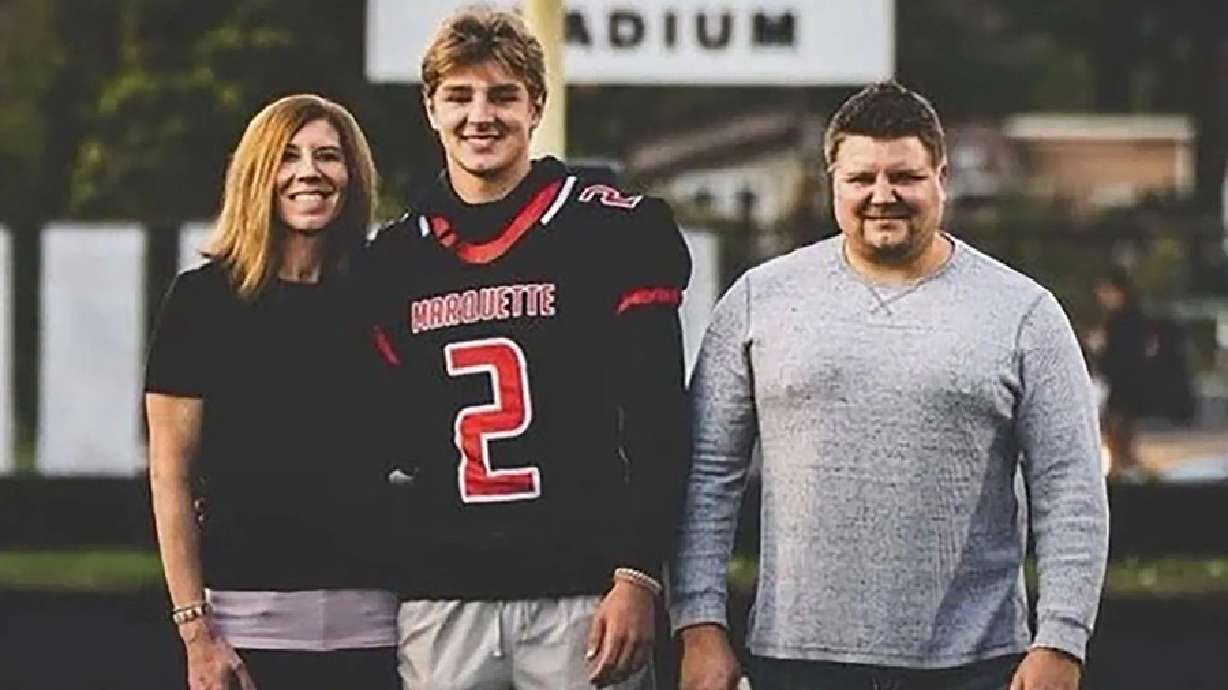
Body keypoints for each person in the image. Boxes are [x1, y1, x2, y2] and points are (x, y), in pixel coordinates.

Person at [671, 81, 1109, 690]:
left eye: (903, 175)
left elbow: (1072, 489)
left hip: (974, 665)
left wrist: (1061, 640)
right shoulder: (757, 301)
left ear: (941, 176)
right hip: (795, 661)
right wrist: (698, 625)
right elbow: (706, 475)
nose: (883, 196)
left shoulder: (1025, 315)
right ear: (832, 181)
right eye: (860, 179)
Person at [361, 7, 692, 690]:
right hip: (443, 592)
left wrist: (637, 575)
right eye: (458, 95)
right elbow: (381, 441)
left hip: (582, 591)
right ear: (430, 108)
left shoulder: (610, 232)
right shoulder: (394, 259)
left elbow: (660, 422)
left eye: (503, 95)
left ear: (536, 105)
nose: (480, 115)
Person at [146, 94, 400, 690]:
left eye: (328, 156)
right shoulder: (201, 303)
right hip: (244, 635)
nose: (308, 171)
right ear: (257, 173)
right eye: (288, 156)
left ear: (353, 175)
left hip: (379, 632)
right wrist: (196, 632)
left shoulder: (386, 292)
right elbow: (170, 478)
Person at [1093, 268, 1150, 480]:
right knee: (1119, 434)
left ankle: (1122, 473)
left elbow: (1119, 355)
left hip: (1123, 386)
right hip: (1126, 386)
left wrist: (1102, 348)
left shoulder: (1122, 321)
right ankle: (1125, 471)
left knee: (1118, 432)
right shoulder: (1129, 319)